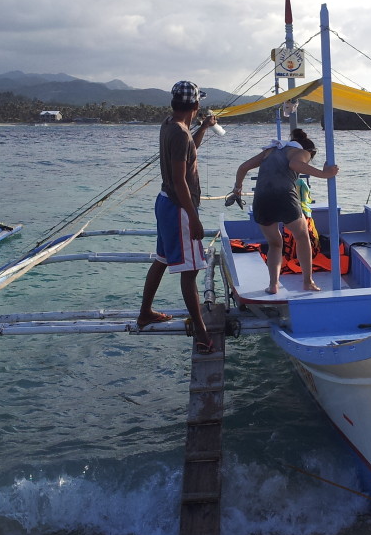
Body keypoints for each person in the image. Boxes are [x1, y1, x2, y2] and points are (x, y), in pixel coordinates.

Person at [138, 80, 218, 354]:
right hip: (179, 208)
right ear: (195, 106)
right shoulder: (180, 134)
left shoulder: (170, 125)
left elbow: (188, 154)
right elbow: (179, 179)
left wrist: (204, 128)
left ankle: (145, 311)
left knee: (161, 260)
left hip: (165, 203)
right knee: (191, 271)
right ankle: (201, 332)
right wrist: (193, 217)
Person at [233, 132, 338, 294]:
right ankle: (307, 281)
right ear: (309, 151)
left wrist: (237, 189)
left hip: (261, 199)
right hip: (284, 197)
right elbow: (295, 165)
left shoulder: (271, 150)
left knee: (275, 243)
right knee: (302, 236)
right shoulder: (302, 152)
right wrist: (324, 174)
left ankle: (273, 285)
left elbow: (243, 167)